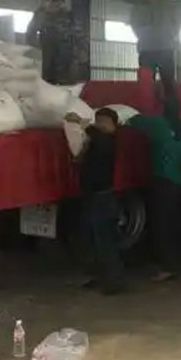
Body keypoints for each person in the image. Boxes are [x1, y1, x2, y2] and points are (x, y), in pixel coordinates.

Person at [127, 96, 181, 280]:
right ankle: (171, 262)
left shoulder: (159, 125)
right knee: (170, 223)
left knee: (160, 226)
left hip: (162, 180)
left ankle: (167, 266)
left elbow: (132, 121)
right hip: (177, 180)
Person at [64, 107, 126, 294]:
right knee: (91, 239)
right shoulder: (97, 140)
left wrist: (82, 123)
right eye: (98, 121)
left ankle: (115, 283)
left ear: (114, 125)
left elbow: (99, 139)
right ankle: (99, 277)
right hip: (92, 196)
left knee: (105, 242)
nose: (101, 125)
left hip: (103, 198)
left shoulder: (109, 141)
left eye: (105, 122)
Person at [129, 0, 179, 101]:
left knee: (169, 83)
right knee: (146, 84)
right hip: (146, 51)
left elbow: (177, 23)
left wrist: (170, 36)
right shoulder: (137, 8)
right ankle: (149, 109)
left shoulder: (168, 5)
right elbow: (134, 25)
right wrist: (144, 38)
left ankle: (171, 110)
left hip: (166, 49)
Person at [26, 0, 85, 85]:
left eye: (60, 5)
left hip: (66, 55)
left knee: (67, 83)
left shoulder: (67, 15)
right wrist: (38, 49)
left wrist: (81, 50)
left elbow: (79, 34)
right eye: (56, 5)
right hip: (47, 55)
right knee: (47, 82)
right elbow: (30, 34)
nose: (58, 8)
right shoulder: (40, 15)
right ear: (49, 2)